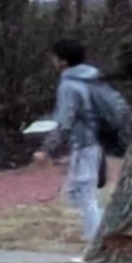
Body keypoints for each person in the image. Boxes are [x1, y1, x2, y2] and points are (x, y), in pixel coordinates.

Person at [47, 38, 123, 245]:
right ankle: (100, 232)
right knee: (77, 192)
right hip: (97, 141)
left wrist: (48, 148)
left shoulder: (69, 85)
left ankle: (97, 242)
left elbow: (65, 121)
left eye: (54, 57)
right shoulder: (93, 79)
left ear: (63, 61)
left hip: (84, 144)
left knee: (85, 194)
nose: (52, 61)